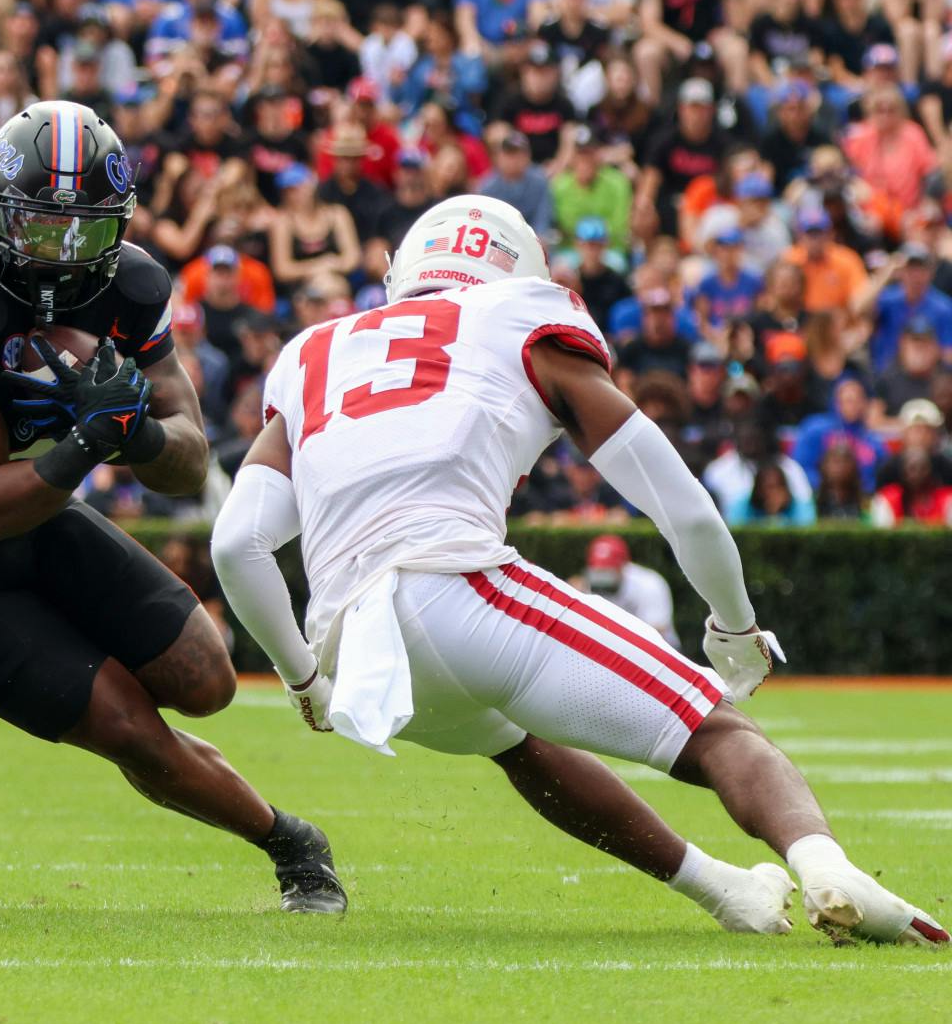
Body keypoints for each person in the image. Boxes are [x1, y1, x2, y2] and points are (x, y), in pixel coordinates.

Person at [211, 193, 945, 946]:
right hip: (461, 587)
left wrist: (303, 678)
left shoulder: (312, 351)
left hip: (358, 649)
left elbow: (237, 545)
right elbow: (683, 506)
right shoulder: (518, 318)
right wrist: (734, 623)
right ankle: (825, 864)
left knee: (518, 744)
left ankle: (724, 890)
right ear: (516, 270)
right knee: (719, 729)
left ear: (406, 269)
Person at [0, 99, 348, 916]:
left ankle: (261, 820)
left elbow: (186, 461)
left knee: (207, 677)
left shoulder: (136, 281)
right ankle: (289, 840)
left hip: (36, 516)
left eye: (86, 230)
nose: (65, 254)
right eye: (45, 228)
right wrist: (89, 440)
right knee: (125, 721)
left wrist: (136, 430)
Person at [572, 534, 679, 649]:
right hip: (615, 650)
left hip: (660, 651)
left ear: (622, 566)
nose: (602, 575)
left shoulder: (649, 584)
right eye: (599, 570)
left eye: (608, 570)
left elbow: (657, 631)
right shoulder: (589, 583)